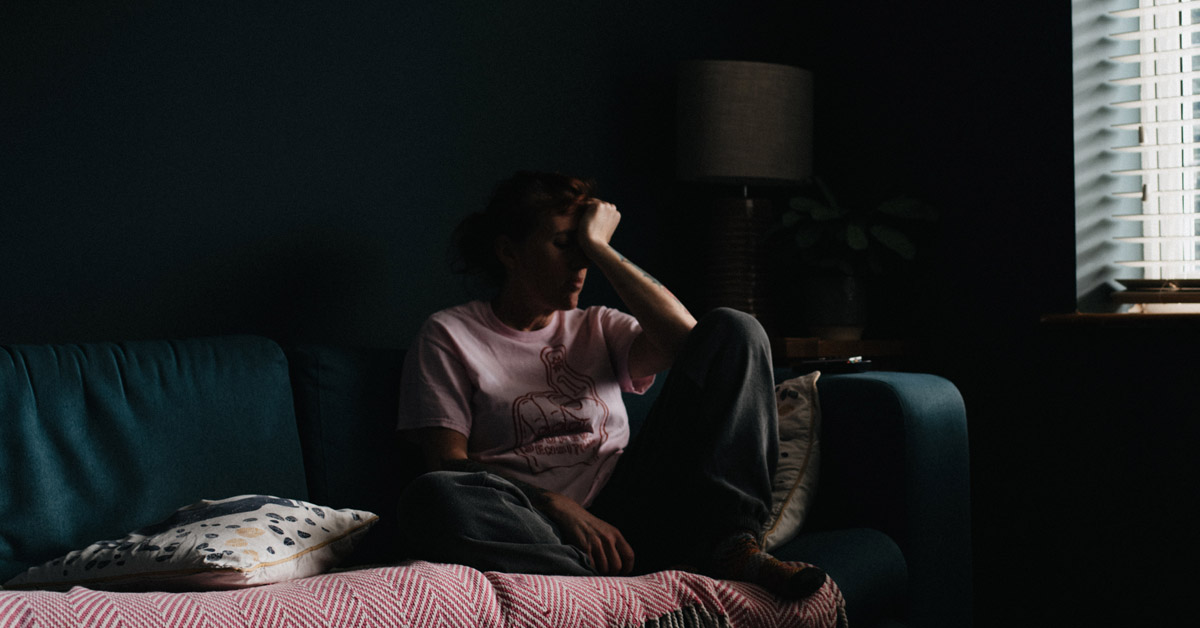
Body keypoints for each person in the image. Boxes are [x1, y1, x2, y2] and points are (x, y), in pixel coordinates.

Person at [394, 171, 825, 599]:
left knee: (738, 328)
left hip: (636, 507)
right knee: (433, 496)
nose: (580, 264)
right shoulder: (449, 335)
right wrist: (556, 505)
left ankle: (731, 545)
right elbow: (445, 462)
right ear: (509, 251)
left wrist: (601, 248)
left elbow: (694, 342)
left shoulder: (599, 326)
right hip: (537, 524)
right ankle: (613, 591)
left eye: (585, 247)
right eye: (565, 245)